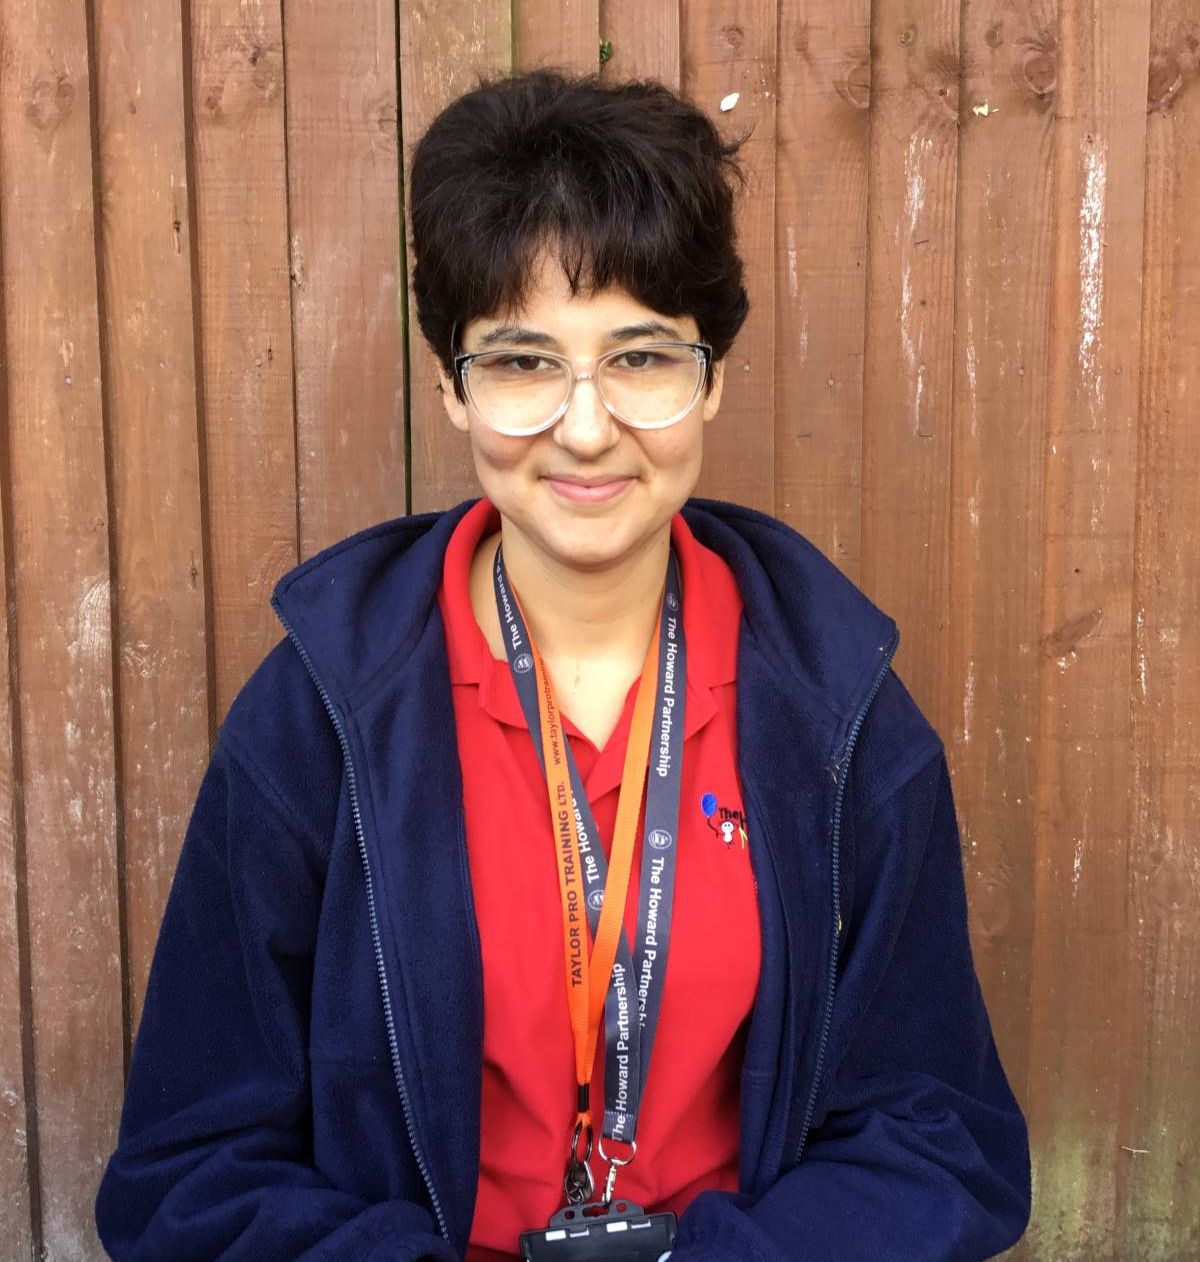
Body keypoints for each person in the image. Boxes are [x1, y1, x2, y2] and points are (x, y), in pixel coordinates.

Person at [94, 69, 1031, 1262]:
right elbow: (188, 1171)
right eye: (524, 361)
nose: (587, 428)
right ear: (452, 385)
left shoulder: (837, 711)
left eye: (640, 356)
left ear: (712, 375)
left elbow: (941, 1136)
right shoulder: (320, 717)